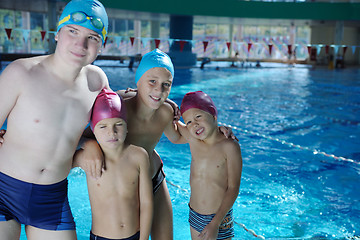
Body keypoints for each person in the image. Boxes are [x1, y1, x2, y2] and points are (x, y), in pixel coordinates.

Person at [0, 0, 109, 239]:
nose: (81, 44)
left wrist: (88, 143)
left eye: (92, 37)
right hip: (3, 190)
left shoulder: (97, 81)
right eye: (73, 31)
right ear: (57, 33)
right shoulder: (21, 73)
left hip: (52, 199)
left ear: (102, 46)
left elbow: (107, 128)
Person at [73, 88, 153, 240]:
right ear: (93, 130)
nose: (112, 132)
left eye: (119, 124)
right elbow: (58, 156)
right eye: (103, 126)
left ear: (127, 126)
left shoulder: (138, 156)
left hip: (135, 235)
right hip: (101, 236)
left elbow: (147, 203)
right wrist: (87, 143)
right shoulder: (85, 158)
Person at [171, 91, 243, 240]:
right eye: (189, 122)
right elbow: (168, 119)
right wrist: (172, 110)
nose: (194, 124)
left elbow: (233, 188)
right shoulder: (193, 139)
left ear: (213, 116)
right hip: (195, 214)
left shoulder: (229, 146)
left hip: (219, 219)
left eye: (198, 116)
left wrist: (215, 223)